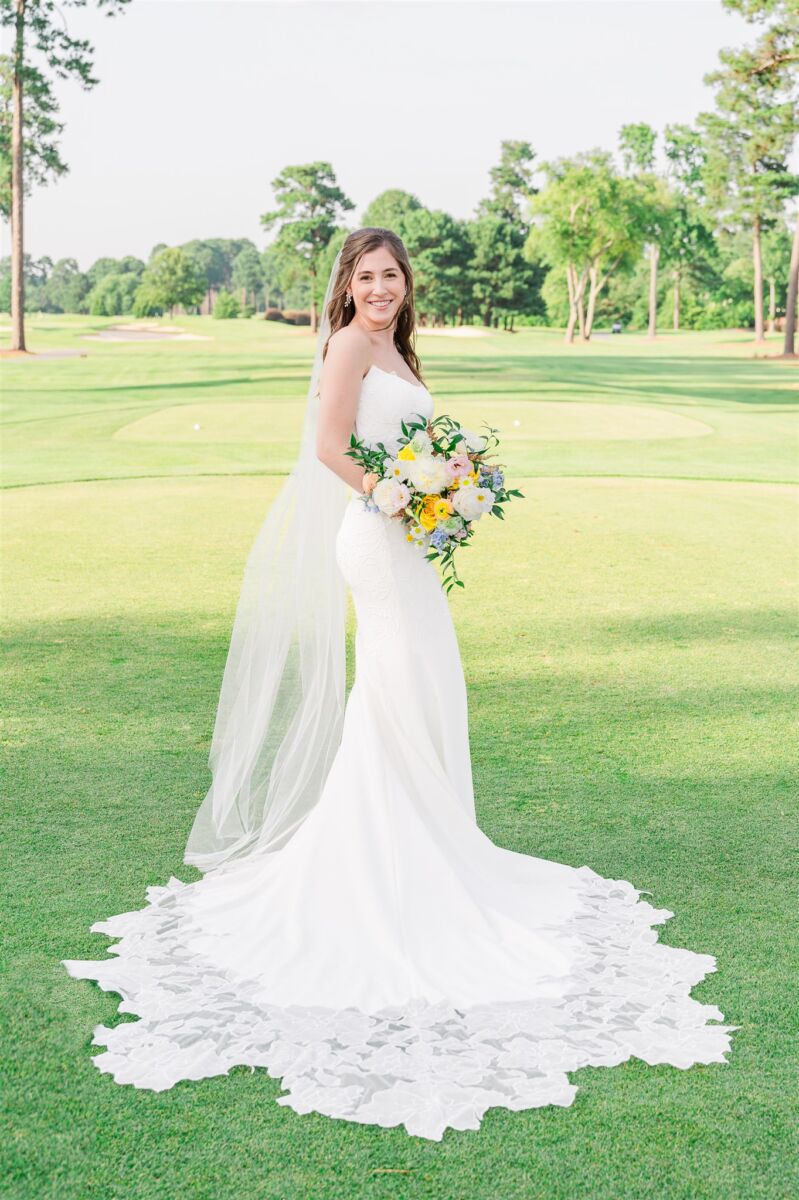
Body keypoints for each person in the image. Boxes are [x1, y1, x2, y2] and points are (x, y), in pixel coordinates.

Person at [62, 228, 736, 1142]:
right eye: (367, 276)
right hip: (374, 540)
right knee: (395, 686)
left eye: (392, 276)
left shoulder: (398, 350)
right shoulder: (347, 344)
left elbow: (415, 443)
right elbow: (327, 445)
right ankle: (384, 864)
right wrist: (389, 492)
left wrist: (451, 486)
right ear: (346, 285)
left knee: (420, 685)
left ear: (406, 284)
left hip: (407, 541)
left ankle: (428, 840)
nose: (380, 288)